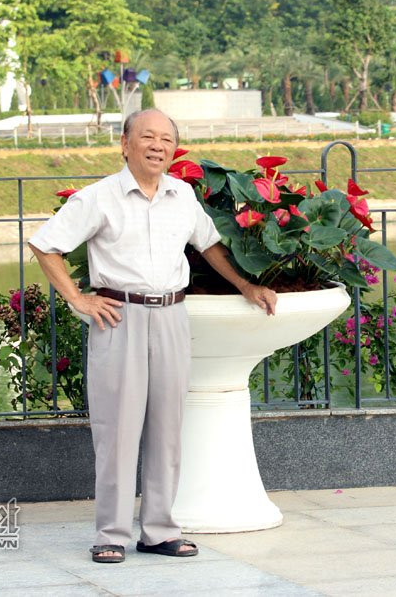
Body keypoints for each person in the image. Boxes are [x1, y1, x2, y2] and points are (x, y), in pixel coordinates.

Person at [27, 108, 277, 564]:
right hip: (118, 318)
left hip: (172, 317)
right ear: (125, 144)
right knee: (116, 430)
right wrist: (78, 300)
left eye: (166, 138)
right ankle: (112, 533)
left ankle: (159, 530)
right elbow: (46, 245)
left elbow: (210, 245)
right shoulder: (98, 197)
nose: (157, 145)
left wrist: (246, 285)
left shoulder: (182, 195)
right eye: (147, 137)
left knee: (167, 428)